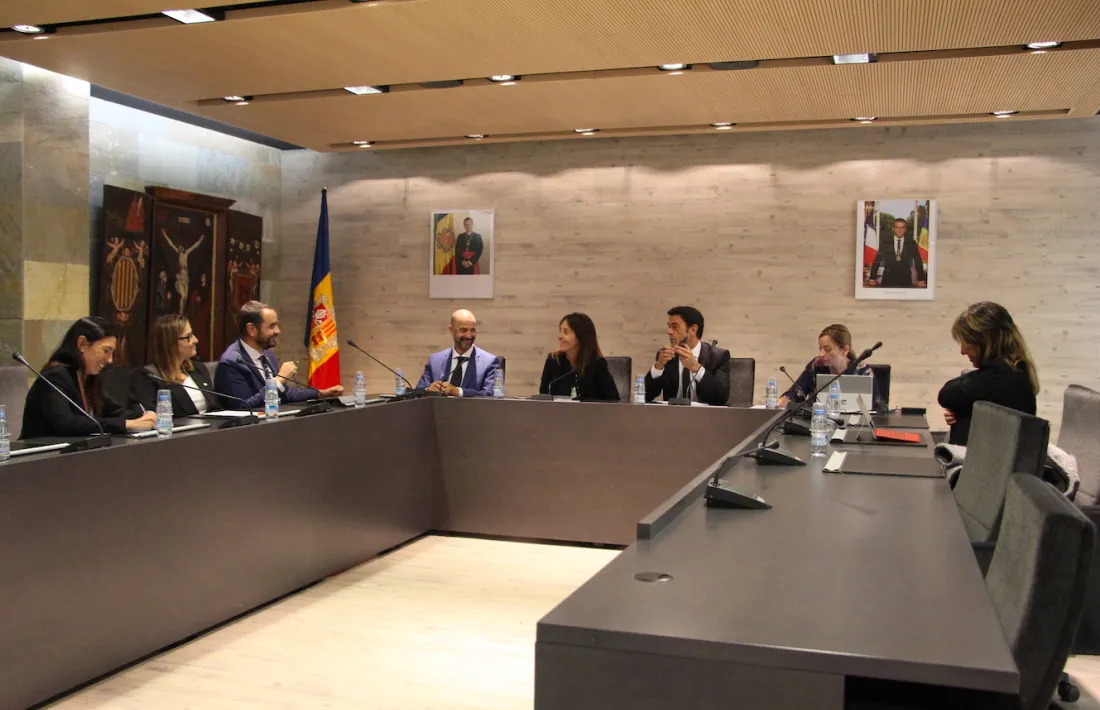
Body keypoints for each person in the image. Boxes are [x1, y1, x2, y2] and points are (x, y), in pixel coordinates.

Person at [21, 316, 156, 438]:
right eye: (106, 351)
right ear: (82, 344)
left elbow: (114, 411)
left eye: (112, 353)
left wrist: (143, 415)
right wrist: (127, 424)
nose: (109, 360)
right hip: (37, 459)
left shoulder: (90, 377)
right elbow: (68, 424)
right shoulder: (55, 376)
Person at [937, 302, 1039, 445]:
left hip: (989, 465)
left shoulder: (1000, 376)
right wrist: (962, 412)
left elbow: (946, 395)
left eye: (967, 343)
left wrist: (960, 409)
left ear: (985, 342)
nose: (962, 351)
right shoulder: (1013, 369)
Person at [214, 300, 343, 409]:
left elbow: (284, 394)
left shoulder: (267, 355)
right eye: (272, 326)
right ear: (251, 330)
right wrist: (279, 380)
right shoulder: (231, 363)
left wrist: (321, 394)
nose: (278, 331)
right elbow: (243, 407)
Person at [129, 314, 221, 416]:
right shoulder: (150, 377)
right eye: (188, 337)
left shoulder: (198, 368)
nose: (196, 340)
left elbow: (214, 407)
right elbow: (153, 419)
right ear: (171, 343)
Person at [778, 324, 881, 410]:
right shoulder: (817, 365)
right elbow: (797, 393)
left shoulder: (863, 371)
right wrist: (785, 399)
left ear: (845, 350)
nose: (821, 354)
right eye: (820, 348)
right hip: (819, 423)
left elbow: (877, 408)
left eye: (827, 349)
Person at [644, 306, 730, 405]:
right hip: (671, 417)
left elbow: (721, 398)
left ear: (693, 330)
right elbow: (646, 396)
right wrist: (658, 367)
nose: (669, 332)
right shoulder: (666, 355)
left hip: (706, 418)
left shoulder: (717, 357)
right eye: (669, 326)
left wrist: (696, 368)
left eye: (675, 327)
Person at [416, 309, 500, 397]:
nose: (469, 335)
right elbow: (418, 392)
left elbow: (491, 396)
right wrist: (428, 390)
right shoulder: (435, 360)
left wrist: (458, 392)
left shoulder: (490, 362)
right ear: (451, 330)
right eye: (463, 330)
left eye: (472, 330)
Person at [539, 313, 620, 401]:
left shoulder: (597, 364)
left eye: (565, 332)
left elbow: (613, 401)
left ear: (580, 336)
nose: (559, 336)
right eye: (560, 331)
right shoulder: (553, 360)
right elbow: (543, 397)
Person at [870, 218, 927, 288]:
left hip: (905, 281)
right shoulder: (885, 243)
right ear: (893, 229)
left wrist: (921, 279)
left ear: (906, 229)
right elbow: (877, 261)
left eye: (902, 228)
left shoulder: (911, 243)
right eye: (897, 227)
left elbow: (918, 261)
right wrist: (872, 278)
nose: (900, 230)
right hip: (888, 281)